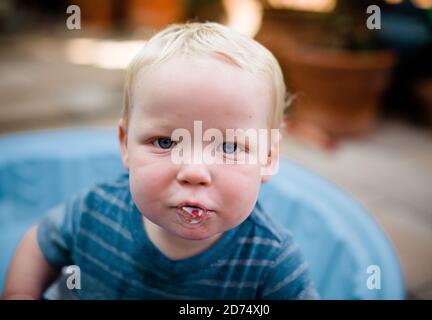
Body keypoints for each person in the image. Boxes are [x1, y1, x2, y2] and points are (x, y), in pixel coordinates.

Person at [3, 22, 318, 300]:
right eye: (165, 142)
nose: (194, 171)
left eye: (229, 147)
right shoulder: (94, 211)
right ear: (125, 144)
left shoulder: (271, 263)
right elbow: (41, 242)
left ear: (268, 157)